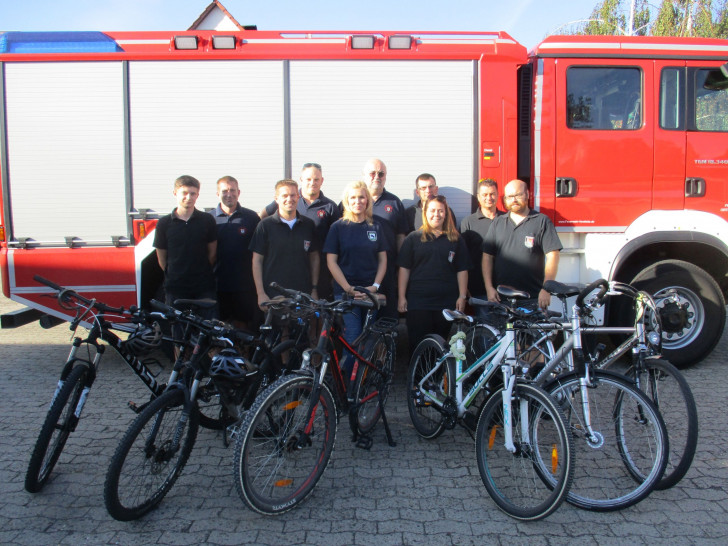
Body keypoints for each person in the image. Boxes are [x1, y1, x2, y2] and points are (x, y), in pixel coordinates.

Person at [324, 181, 387, 373]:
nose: (357, 201)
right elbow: (331, 262)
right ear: (346, 201)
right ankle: (346, 386)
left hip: (370, 293)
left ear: (367, 199)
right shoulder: (338, 227)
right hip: (346, 294)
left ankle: (361, 381)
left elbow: (383, 260)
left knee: (367, 338)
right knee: (352, 337)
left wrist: (375, 287)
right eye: (353, 197)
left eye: (361, 197)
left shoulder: (376, 226)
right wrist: (348, 289)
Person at [398, 195, 469, 353]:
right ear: (425, 213)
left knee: (440, 346)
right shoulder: (413, 238)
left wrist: (462, 296)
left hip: (445, 302)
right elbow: (404, 269)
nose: (436, 214)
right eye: (432, 210)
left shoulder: (456, 239)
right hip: (418, 302)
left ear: (446, 213)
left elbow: (462, 270)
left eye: (440, 211)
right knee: (418, 346)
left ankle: (436, 377)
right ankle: (416, 378)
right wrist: (402, 296)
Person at [259, 163, 340, 299]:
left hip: (319, 270)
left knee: (316, 312)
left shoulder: (330, 207)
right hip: (288, 268)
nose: (312, 183)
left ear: (322, 181)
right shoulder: (290, 198)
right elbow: (263, 216)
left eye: (316, 179)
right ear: (301, 179)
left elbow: (338, 240)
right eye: (308, 179)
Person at [482, 179, 562, 311]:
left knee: (532, 332)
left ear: (528, 194)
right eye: (510, 196)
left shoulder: (542, 221)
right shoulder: (498, 223)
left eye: (518, 195)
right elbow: (487, 257)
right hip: (502, 298)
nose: (513, 200)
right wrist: (489, 288)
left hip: (533, 298)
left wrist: (546, 289)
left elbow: (553, 256)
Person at [250, 179, 320, 309]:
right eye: (284, 196)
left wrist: (314, 289)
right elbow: (257, 261)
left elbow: (314, 257)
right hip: (273, 296)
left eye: (293, 195)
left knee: (303, 329)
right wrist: (261, 293)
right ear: (276, 198)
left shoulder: (308, 225)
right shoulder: (265, 226)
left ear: (298, 197)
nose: (289, 199)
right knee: (279, 329)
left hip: (302, 295)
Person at [154, 175, 217, 316]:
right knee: (178, 332)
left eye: (193, 193)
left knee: (207, 330)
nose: (188, 197)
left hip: (203, 287)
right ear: (175, 193)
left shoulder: (207, 220)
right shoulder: (164, 223)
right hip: (175, 288)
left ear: (197, 195)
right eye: (184, 193)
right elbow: (162, 259)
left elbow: (212, 254)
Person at [210, 175, 260, 330]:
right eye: (224, 191)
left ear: (239, 192)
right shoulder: (208, 219)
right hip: (217, 286)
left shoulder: (251, 218)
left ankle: (242, 355)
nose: (229, 194)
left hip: (244, 286)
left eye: (233, 190)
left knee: (242, 328)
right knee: (218, 329)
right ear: (217, 194)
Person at [363, 158, 408, 319]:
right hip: (360, 272)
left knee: (386, 319)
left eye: (381, 173)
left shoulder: (394, 202)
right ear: (364, 175)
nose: (377, 176)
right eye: (372, 173)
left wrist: (399, 266)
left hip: (388, 272)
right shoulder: (353, 200)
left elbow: (400, 237)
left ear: (386, 176)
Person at [460, 178, 504, 316]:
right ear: (478, 197)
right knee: (485, 331)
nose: (489, 198)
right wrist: (465, 287)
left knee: (507, 332)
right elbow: (463, 257)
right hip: (478, 288)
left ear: (498, 195)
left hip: (505, 288)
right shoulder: (468, 222)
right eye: (484, 195)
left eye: (492, 194)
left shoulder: (507, 220)